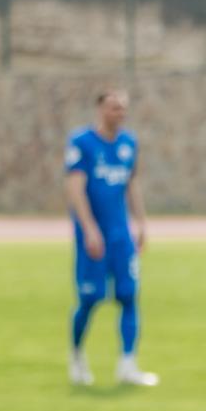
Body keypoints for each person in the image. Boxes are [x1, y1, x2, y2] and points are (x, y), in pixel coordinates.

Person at [64, 88, 157, 388]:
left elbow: (131, 184)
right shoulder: (82, 143)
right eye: (114, 107)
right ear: (100, 109)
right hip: (94, 237)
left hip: (120, 236)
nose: (120, 113)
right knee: (90, 299)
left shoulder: (129, 143)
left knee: (129, 296)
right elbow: (75, 188)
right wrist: (89, 228)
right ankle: (77, 357)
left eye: (123, 108)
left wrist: (141, 223)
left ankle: (128, 364)